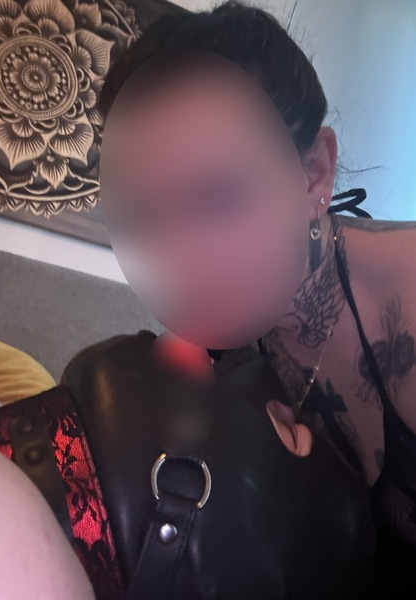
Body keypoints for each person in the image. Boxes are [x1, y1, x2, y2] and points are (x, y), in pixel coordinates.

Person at [98, 0, 416, 594]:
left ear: (314, 173)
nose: (181, 262)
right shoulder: (207, 357)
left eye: (220, 197)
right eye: (144, 216)